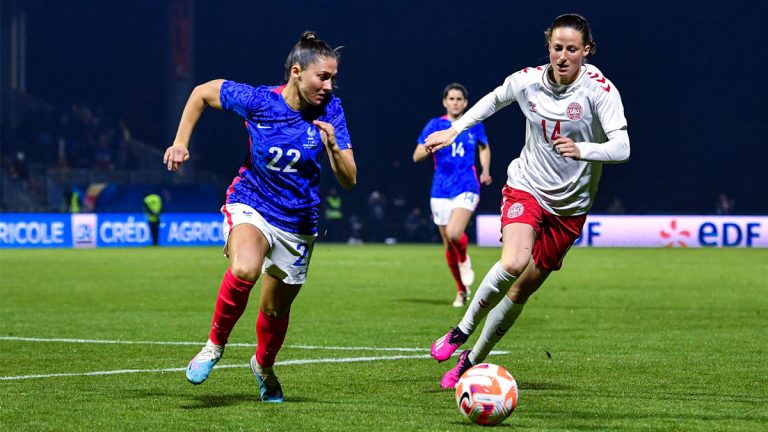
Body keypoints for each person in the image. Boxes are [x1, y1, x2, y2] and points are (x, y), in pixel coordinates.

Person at [425, 14, 630, 388]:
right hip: (527, 187)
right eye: (557, 48)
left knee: (520, 291)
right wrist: (453, 129)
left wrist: (583, 149)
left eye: (572, 49)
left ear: (586, 51)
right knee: (514, 261)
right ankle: (460, 330)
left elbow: (622, 146)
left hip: (569, 210)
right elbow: (493, 100)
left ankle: (470, 362)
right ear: (548, 46)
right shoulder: (528, 81)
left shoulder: (600, 90)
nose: (563, 56)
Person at [163, 31, 356, 403]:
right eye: (324, 77)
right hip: (252, 202)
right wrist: (180, 142)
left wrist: (333, 146)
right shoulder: (258, 100)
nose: (330, 86)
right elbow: (202, 92)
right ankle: (213, 347)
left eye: (333, 78)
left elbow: (349, 180)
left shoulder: (332, 111)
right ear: (296, 72)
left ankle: (263, 366)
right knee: (245, 269)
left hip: (299, 222)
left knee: (274, 308)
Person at [413, 83, 492, 307]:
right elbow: (417, 155)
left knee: (455, 233)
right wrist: (429, 148)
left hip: (467, 185)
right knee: (448, 243)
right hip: (440, 189)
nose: (455, 102)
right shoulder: (435, 125)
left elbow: (484, 147)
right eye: (452, 99)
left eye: (459, 99)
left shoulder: (473, 124)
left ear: (465, 103)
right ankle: (461, 290)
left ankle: (464, 258)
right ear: (445, 102)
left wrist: (485, 170)